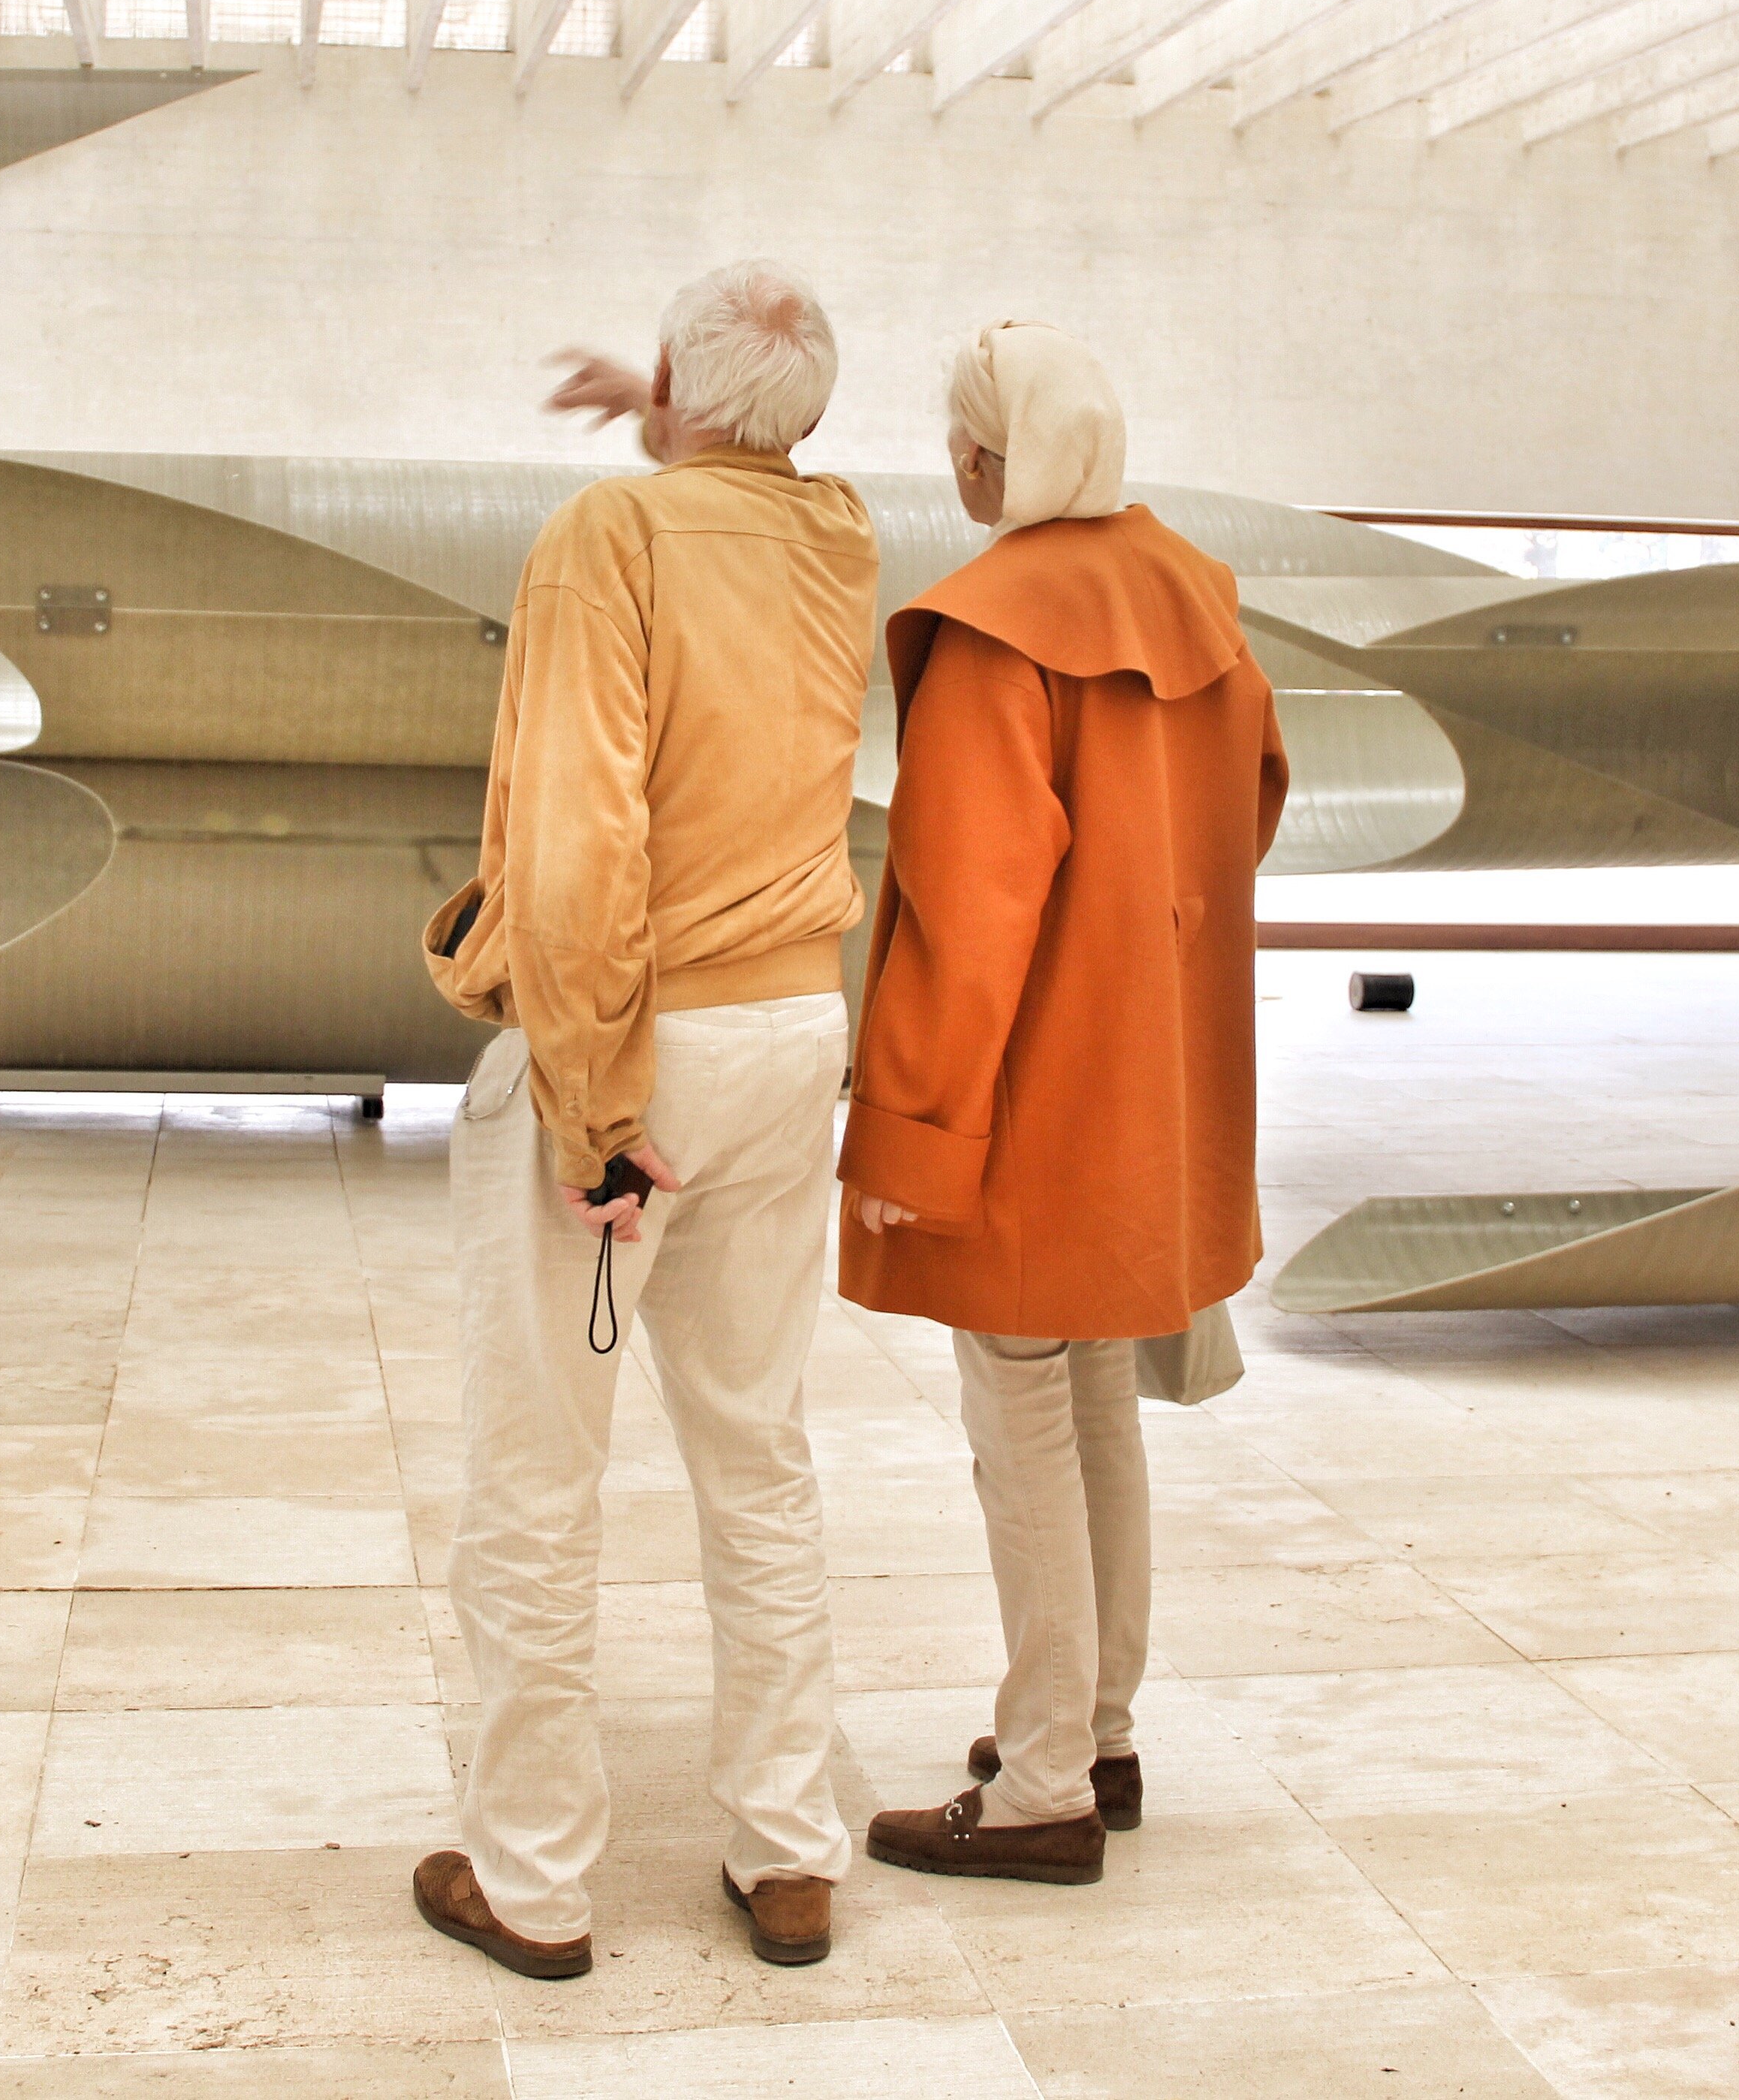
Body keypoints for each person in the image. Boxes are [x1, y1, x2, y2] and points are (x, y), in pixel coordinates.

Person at [412, 260, 877, 1978]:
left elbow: (583, 841)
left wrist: (592, 1106)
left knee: (538, 1471)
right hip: (789, 1032)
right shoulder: (837, 539)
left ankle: (528, 1881)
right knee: (758, 1451)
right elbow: (759, 473)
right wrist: (683, 401)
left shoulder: (605, 542)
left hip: (647, 1043)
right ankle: (789, 1851)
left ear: (678, 394)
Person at [839, 321, 1288, 1884]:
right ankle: (1094, 1727)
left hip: (1027, 1094)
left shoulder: (993, 633)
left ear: (1004, 460)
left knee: (1018, 1406)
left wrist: (904, 1131)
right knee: (1093, 1392)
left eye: (967, 443)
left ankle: (1037, 1786)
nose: (955, 468)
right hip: (1151, 1080)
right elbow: (1254, 813)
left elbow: (963, 917)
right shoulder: (1197, 602)